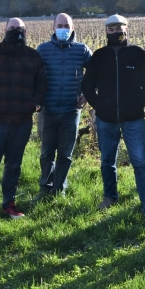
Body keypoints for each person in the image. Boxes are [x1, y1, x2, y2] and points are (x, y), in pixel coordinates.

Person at [81, 14, 145, 228]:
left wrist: (139, 104)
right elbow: (87, 84)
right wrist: (99, 105)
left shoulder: (137, 54)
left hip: (133, 119)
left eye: (119, 28)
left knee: (140, 162)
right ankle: (110, 196)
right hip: (106, 120)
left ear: (127, 30)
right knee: (107, 160)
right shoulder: (99, 56)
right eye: (111, 29)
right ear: (106, 31)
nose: (115, 32)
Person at [0, 17, 47, 226]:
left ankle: (9, 203)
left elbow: (41, 83)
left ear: (25, 31)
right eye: (12, 28)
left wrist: (34, 104)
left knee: (13, 165)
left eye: (20, 28)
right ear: (5, 30)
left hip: (22, 122)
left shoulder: (33, 56)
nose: (16, 31)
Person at [33, 13, 92, 201]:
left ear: (72, 28)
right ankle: (45, 187)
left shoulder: (82, 50)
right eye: (60, 25)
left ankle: (59, 189)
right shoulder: (43, 50)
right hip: (48, 109)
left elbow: (96, 70)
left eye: (66, 26)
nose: (63, 29)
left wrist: (89, 92)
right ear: (53, 28)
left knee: (65, 154)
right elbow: (32, 75)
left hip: (71, 110)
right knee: (46, 152)